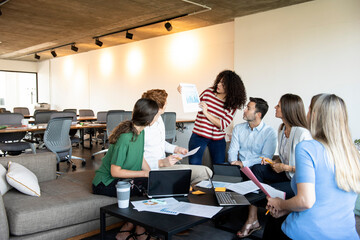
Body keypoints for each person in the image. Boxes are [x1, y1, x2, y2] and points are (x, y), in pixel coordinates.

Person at [264, 94, 360, 239]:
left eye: (308, 109)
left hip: (306, 233)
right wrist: (286, 209)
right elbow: (327, 200)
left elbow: (305, 201)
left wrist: (280, 204)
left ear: (314, 115)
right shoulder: (353, 153)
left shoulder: (307, 148)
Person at [237, 94, 312, 238]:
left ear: (287, 109)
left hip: (296, 179)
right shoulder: (282, 129)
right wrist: (274, 161)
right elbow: (284, 156)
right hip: (284, 172)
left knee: (274, 193)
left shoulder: (303, 134)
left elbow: (308, 168)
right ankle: (255, 210)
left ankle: (261, 204)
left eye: (278, 105)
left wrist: (285, 167)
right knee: (257, 168)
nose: (275, 108)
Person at [92, 98, 160, 240]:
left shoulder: (140, 132)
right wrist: (144, 174)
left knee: (153, 183)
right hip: (104, 183)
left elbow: (140, 157)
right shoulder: (125, 137)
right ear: (149, 120)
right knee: (143, 186)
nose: (158, 118)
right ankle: (132, 230)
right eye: (157, 115)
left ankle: (134, 228)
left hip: (122, 180)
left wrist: (152, 175)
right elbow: (115, 172)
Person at [142, 89, 213, 184]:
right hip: (153, 169)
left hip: (165, 166)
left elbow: (160, 142)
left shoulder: (158, 119)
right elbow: (137, 160)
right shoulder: (141, 127)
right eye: (165, 101)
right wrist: (161, 163)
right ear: (159, 107)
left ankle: (180, 191)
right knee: (204, 173)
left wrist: (176, 149)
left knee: (206, 172)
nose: (167, 104)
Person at [179, 70, 247, 165]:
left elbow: (222, 124)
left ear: (231, 87)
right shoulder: (208, 92)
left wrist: (206, 113)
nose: (218, 85)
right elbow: (194, 103)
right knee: (194, 164)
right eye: (219, 81)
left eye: (223, 84)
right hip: (199, 135)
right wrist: (184, 93)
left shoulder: (232, 104)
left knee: (219, 166)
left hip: (218, 138)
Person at [228, 97, 277, 168]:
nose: (244, 110)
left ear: (258, 114)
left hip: (257, 168)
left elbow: (266, 157)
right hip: (238, 167)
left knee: (258, 169)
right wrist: (234, 164)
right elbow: (233, 150)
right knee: (220, 168)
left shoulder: (269, 132)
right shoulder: (238, 128)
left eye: (248, 108)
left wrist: (243, 164)